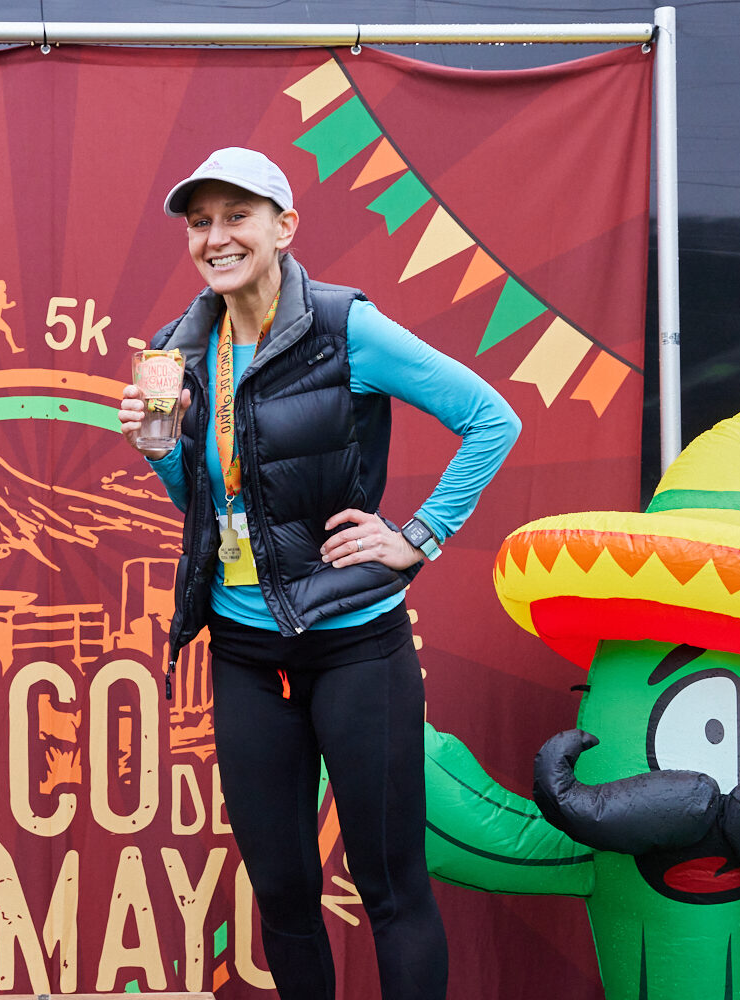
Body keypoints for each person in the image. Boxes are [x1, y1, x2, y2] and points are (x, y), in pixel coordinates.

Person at [116, 146, 520, 1000]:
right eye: (201, 222)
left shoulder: (345, 328)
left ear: (285, 227)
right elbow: (203, 506)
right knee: (284, 893)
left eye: (238, 217)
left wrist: (419, 535)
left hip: (355, 645)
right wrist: (162, 451)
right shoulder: (178, 350)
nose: (216, 238)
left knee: (391, 888)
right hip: (244, 652)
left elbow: (492, 419)